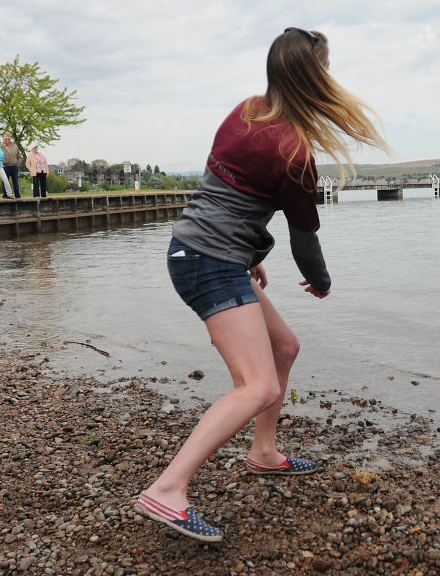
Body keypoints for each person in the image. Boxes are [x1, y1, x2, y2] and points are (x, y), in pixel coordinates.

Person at [136, 27, 388, 542]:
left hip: (201, 252)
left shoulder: (246, 109)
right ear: (314, 77)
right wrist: (320, 281)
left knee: (284, 347)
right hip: (208, 261)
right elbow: (305, 239)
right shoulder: (295, 151)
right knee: (259, 385)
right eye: (328, 67)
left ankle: (264, 453)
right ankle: (168, 490)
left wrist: (249, 254)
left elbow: (228, 191)